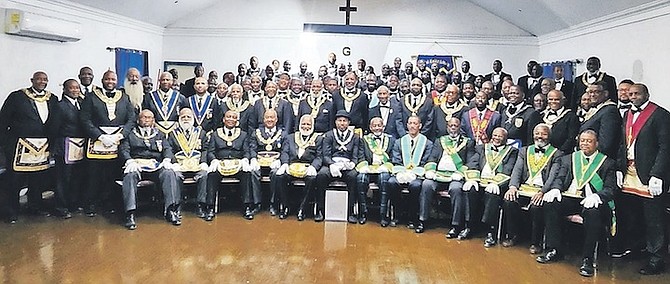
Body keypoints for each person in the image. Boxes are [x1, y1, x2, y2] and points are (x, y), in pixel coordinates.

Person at [537, 129, 616, 278]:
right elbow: (560, 178)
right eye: (582, 141)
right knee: (550, 204)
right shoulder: (569, 159)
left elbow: (611, 189)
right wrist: (555, 189)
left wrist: (598, 196)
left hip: (594, 202)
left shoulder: (607, 163)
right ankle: (554, 249)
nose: (585, 143)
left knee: (593, 213)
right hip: (572, 198)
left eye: (589, 141)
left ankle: (587, 259)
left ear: (597, 144)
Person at [615, 83, 669, 275]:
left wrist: (658, 174)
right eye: (630, 94)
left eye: (637, 93)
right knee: (634, 214)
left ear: (646, 94)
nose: (633, 96)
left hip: (649, 175)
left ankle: (657, 259)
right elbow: (623, 143)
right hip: (630, 173)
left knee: (654, 219)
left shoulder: (661, 115)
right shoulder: (627, 114)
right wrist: (619, 167)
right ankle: (638, 248)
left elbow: (665, 148)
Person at [0, 71, 58, 223]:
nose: (42, 81)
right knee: (15, 181)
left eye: (45, 79)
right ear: (32, 80)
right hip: (20, 145)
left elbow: (55, 123)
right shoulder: (17, 96)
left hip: (41, 146)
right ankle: (11, 211)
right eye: (39, 79)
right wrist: (6, 143)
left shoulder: (52, 99)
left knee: (37, 180)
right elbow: (3, 120)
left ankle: (35, 207)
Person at [80, 70, 136, 217]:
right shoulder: (91, 97)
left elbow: (131, 119)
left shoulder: (124, 97)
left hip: (117, 143)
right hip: (97, 143)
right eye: (107, 79)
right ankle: (90, 204)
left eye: (113, 79)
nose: (110, 81)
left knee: (112, 175)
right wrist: (99, 136)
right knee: (93, 176)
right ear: (102, 80)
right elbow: (85, 120)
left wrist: (121, 135)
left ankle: (110, 203)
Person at [501, 124, 562, 253]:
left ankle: (536, 242)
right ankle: (513, 235)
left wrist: (542, 192)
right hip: (524, 189)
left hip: (541, 191)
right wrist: (512, 187)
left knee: (536, 207)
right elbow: (517, 171)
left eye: (544, 134)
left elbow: (553, 177)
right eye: (537, 133)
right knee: (509, 201)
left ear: (549, 136)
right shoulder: (524, 151)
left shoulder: (557, 154)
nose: (540, 136)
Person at [119, 110, 180, 229]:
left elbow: (167, 148)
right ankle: (130, 213)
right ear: (138, 120)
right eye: (144, 117)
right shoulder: (130, 134)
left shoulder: (159, 134)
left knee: (169, 173)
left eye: (150, 118)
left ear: (153, 120)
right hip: (136, 164)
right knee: (130, 175)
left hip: (154, 165)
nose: (147, 120)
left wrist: (167, 159)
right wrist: (129, 160)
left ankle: (171, 210)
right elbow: (124, 150)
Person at [422, 118, 477, 237]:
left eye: (455, 126)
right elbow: (432, 158)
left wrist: (461, 173)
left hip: (455, 176)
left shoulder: (468, 142)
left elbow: (471, 162)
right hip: (439, 175)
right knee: (426, 184)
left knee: (456, 189)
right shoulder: (440, 141)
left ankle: (455, 225)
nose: (453, 128)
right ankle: (423, 220)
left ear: (459, 128)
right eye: (450, 125)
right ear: (447, 127)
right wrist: (430, 170)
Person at [466, 127, 518, 247]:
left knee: (492, 195)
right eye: (495, 135)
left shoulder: (512, 151)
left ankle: (491, 231)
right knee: (471, 191)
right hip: (480, 182)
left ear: (505, 138)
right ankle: (470, 226)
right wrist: (473, 179)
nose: (496, 138)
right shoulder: (482, 148)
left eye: (500, 136)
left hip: (498, 185)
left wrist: (496, 183)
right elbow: (473, 163)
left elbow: (508, 169)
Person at [206, 110, 256, 220]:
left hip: (237, 164)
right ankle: (210, 208)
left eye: (234, 117)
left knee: (247, 173)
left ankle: (247, 206)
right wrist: (214, 160)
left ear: (237, 121)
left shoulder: (243, 135)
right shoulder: (215, 134)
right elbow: (210, 152)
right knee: (211, 174)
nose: (231, 119)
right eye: (228, 117)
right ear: (223, 119)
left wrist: (245, 160)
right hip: (221, 164)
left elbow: (246, 151)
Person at [316, 110, 362, 223]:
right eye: (340, 121)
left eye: (345, 121)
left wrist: (352, 164)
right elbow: (325, 155)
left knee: (353, 176)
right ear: (335, 122)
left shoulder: (355, 137)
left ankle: (351, 211)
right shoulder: (329, 135)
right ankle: (320, 209)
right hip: (332, 164)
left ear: (348, 123)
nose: (342, 123)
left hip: (347, 165)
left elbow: (356, 156)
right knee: (321, 175)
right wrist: (331, 164)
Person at [388, 115, 433, 231]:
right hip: (401, 173)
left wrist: (414, 173)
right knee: (391, 182)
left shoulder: (427, 143)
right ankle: (398, 214)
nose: (412, 126)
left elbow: (426, 162)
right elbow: (396, 160)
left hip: (418, 175)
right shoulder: (399, 142)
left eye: (415, 123)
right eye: (410, 123)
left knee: (415, 185)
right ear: (407, 125)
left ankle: (412, 217)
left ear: (420, 126)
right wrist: (403, 172)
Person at [275, 115, 323, 220]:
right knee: (280, 177)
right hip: (292, 167)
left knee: (312, 179)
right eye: (304, 124)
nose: (306, 126)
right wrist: (285, 164)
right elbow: (285, 152)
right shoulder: (291, 137)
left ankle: (302, 208)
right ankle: (285, 206)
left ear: (313, 125)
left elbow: (319, 157)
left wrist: (313, 167)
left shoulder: (318, 139)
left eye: (308, 124)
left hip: (307, 168)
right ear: (300, 125)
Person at [51, 79, 86, 218]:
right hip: (64, 145)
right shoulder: (60, 106)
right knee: (63, 178)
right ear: (65, 89)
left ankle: (73, 203)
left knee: (76, 176)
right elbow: (53, 128)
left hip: (79, 145)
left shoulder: (81, 104)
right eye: (72, 88)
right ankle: (61, 207)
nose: (75, 90)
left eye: (77, 88)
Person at [169, 108, 209, 220]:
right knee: (175, 176)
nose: (186, 119)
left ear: (193, 119)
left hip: (196, 165)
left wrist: (204, 162)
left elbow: (205, 149)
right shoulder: (173, 134)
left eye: (188, 117)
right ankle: (177, 206)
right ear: (179, 119)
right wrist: (174, 163)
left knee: (204, 175)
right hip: (180, 165)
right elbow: (169, 150)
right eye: (183, 117)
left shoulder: (201, 133)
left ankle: (201, 205)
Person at [357, 117, 395, 226]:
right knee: (361, 179)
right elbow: (361, 156)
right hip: (368, 168)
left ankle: (383, 215)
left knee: (384, 179)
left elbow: (393, 158)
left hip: (383, 169)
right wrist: (365, 167)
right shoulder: (364, 140)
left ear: (383, 127)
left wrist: (386, 166)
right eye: (374, 126)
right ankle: (363, 213)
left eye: (379, 125)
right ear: (370, 127)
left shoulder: (391, 140)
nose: (377, 128)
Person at [249, 109, 285, 217]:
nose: (270, 120)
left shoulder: (283, 134)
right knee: (253, 172)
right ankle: (256, 203)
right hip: (260, 162)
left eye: (272, 117)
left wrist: (280, 161)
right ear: (263, 120)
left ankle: (273, 203)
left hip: (275, 162)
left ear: (276, 119)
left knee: (275, 173)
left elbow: (286, 150)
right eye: (267, 118)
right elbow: (252, 148)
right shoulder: (256, 133)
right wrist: (253, 158)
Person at [579, 81, 621, 157]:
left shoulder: (610, 111)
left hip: (599, 159)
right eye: (590, 92)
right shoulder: (597, 109)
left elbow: (606, 143)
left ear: (605, 93)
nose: (592, 95)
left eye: (596, 92)